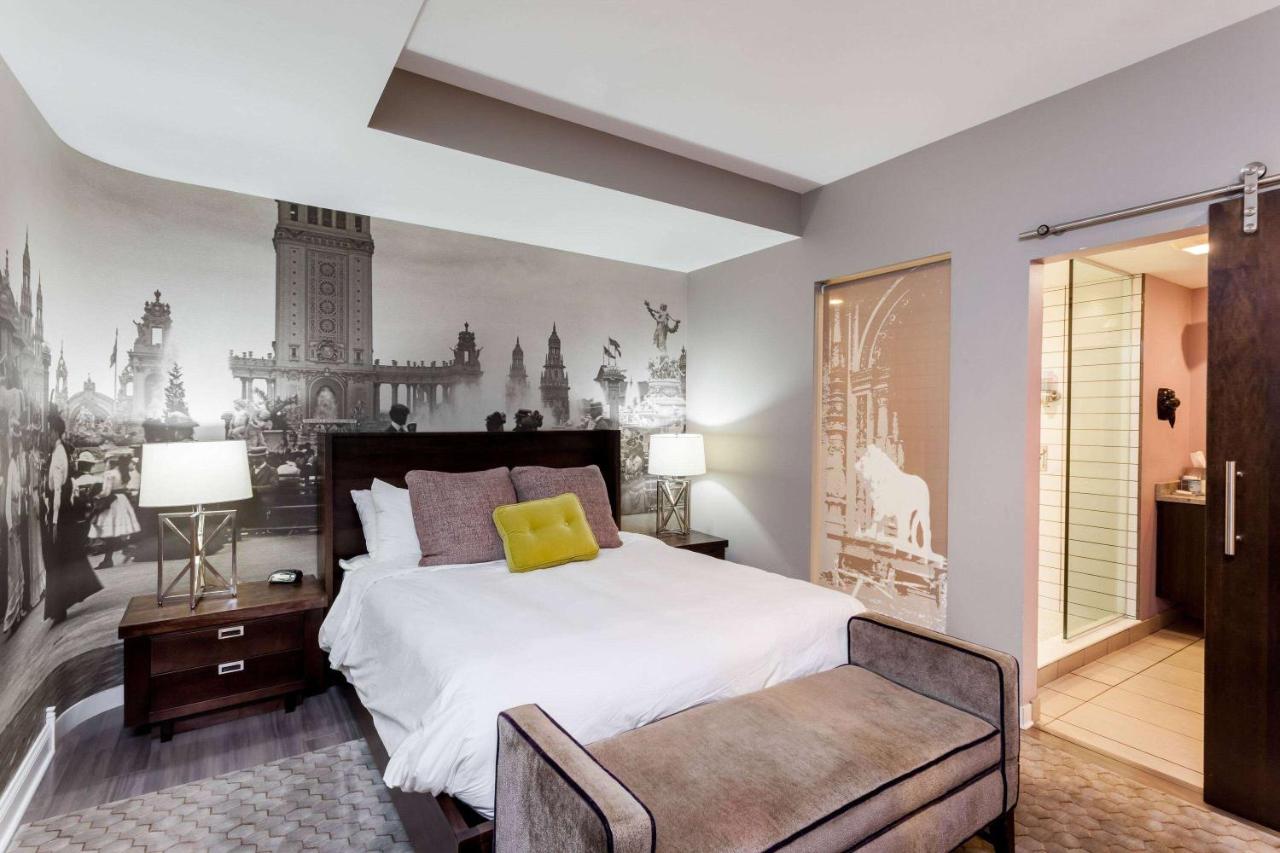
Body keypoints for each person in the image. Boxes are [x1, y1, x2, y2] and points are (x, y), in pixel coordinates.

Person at [44, 422, 102, 624]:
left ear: (54, 431)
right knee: (67, 556)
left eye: (48, 431)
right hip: (62, 514)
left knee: (59, 559)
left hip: (61, 515)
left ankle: (59, 607)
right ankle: (62, 604)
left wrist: (54, 521)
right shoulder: (58, 451)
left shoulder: (59, 453)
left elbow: (58, 491)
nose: (46, 435)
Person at [89, 451, 140, 569]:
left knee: (106, 529)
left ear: (111, 462)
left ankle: (109, 559)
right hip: (122, 501)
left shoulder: (110, 474)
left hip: (111, 502)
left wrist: (96, 496)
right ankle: (121, 549)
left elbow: (106, 492)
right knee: (115, 530)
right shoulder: (124, 473)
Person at [4, 422, 25, 635]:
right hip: (12, 523)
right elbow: (8, 499)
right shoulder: (11, 465)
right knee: (13, 570)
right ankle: (12, 615)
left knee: (18, 568)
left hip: (16, 521)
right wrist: (11, 525)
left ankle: (17, 610)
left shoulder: (16, 464)